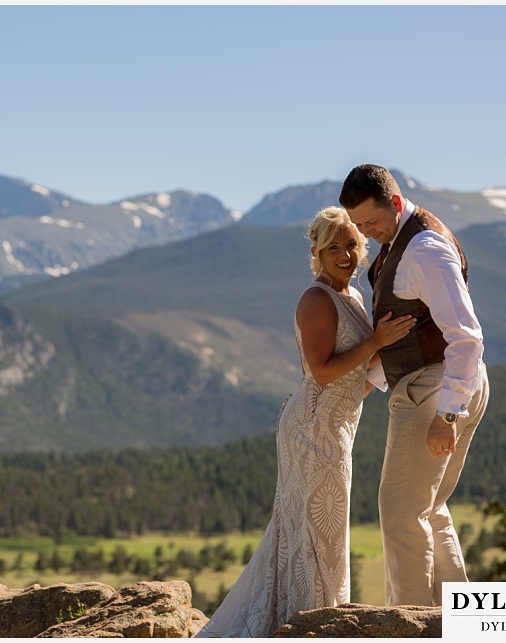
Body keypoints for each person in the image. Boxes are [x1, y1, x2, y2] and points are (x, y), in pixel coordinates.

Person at [195, 207, 415, 638]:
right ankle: (310, 623)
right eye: (334, 246)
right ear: (316, 251)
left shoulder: (352, 296)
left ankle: (302, 620)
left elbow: (352, 379)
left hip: (337, 427)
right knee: (316, 531)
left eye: (352, 244)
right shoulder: (316, 299)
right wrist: (376, 341)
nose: (345, 254)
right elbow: (322, 371)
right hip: (312, 431)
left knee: (316, 531)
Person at [338, 164, 490, 607]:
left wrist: (447, 415)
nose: (368, 232)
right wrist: (358, 388)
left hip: (436, 388)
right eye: (360, 225)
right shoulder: (404, 240)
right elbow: (415, 327)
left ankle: (408, 625)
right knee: (429, 510)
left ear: (397, 203)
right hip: (445, 383)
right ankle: (453, 622)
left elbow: (465, 336)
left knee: (402, 514)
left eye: (373, 222)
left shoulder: (423, 247)